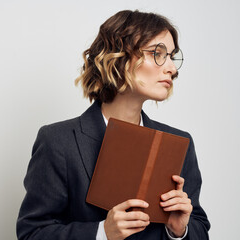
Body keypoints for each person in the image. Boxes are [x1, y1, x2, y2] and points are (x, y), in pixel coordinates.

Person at [16, 10, 210, 240]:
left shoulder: (179, 143)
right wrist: (101, 233)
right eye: (158, 53)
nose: (172, 69)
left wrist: (178, 231)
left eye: (172, 56)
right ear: (120, 57)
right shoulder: (59, 141)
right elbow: (32, 233)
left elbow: (199, 226)